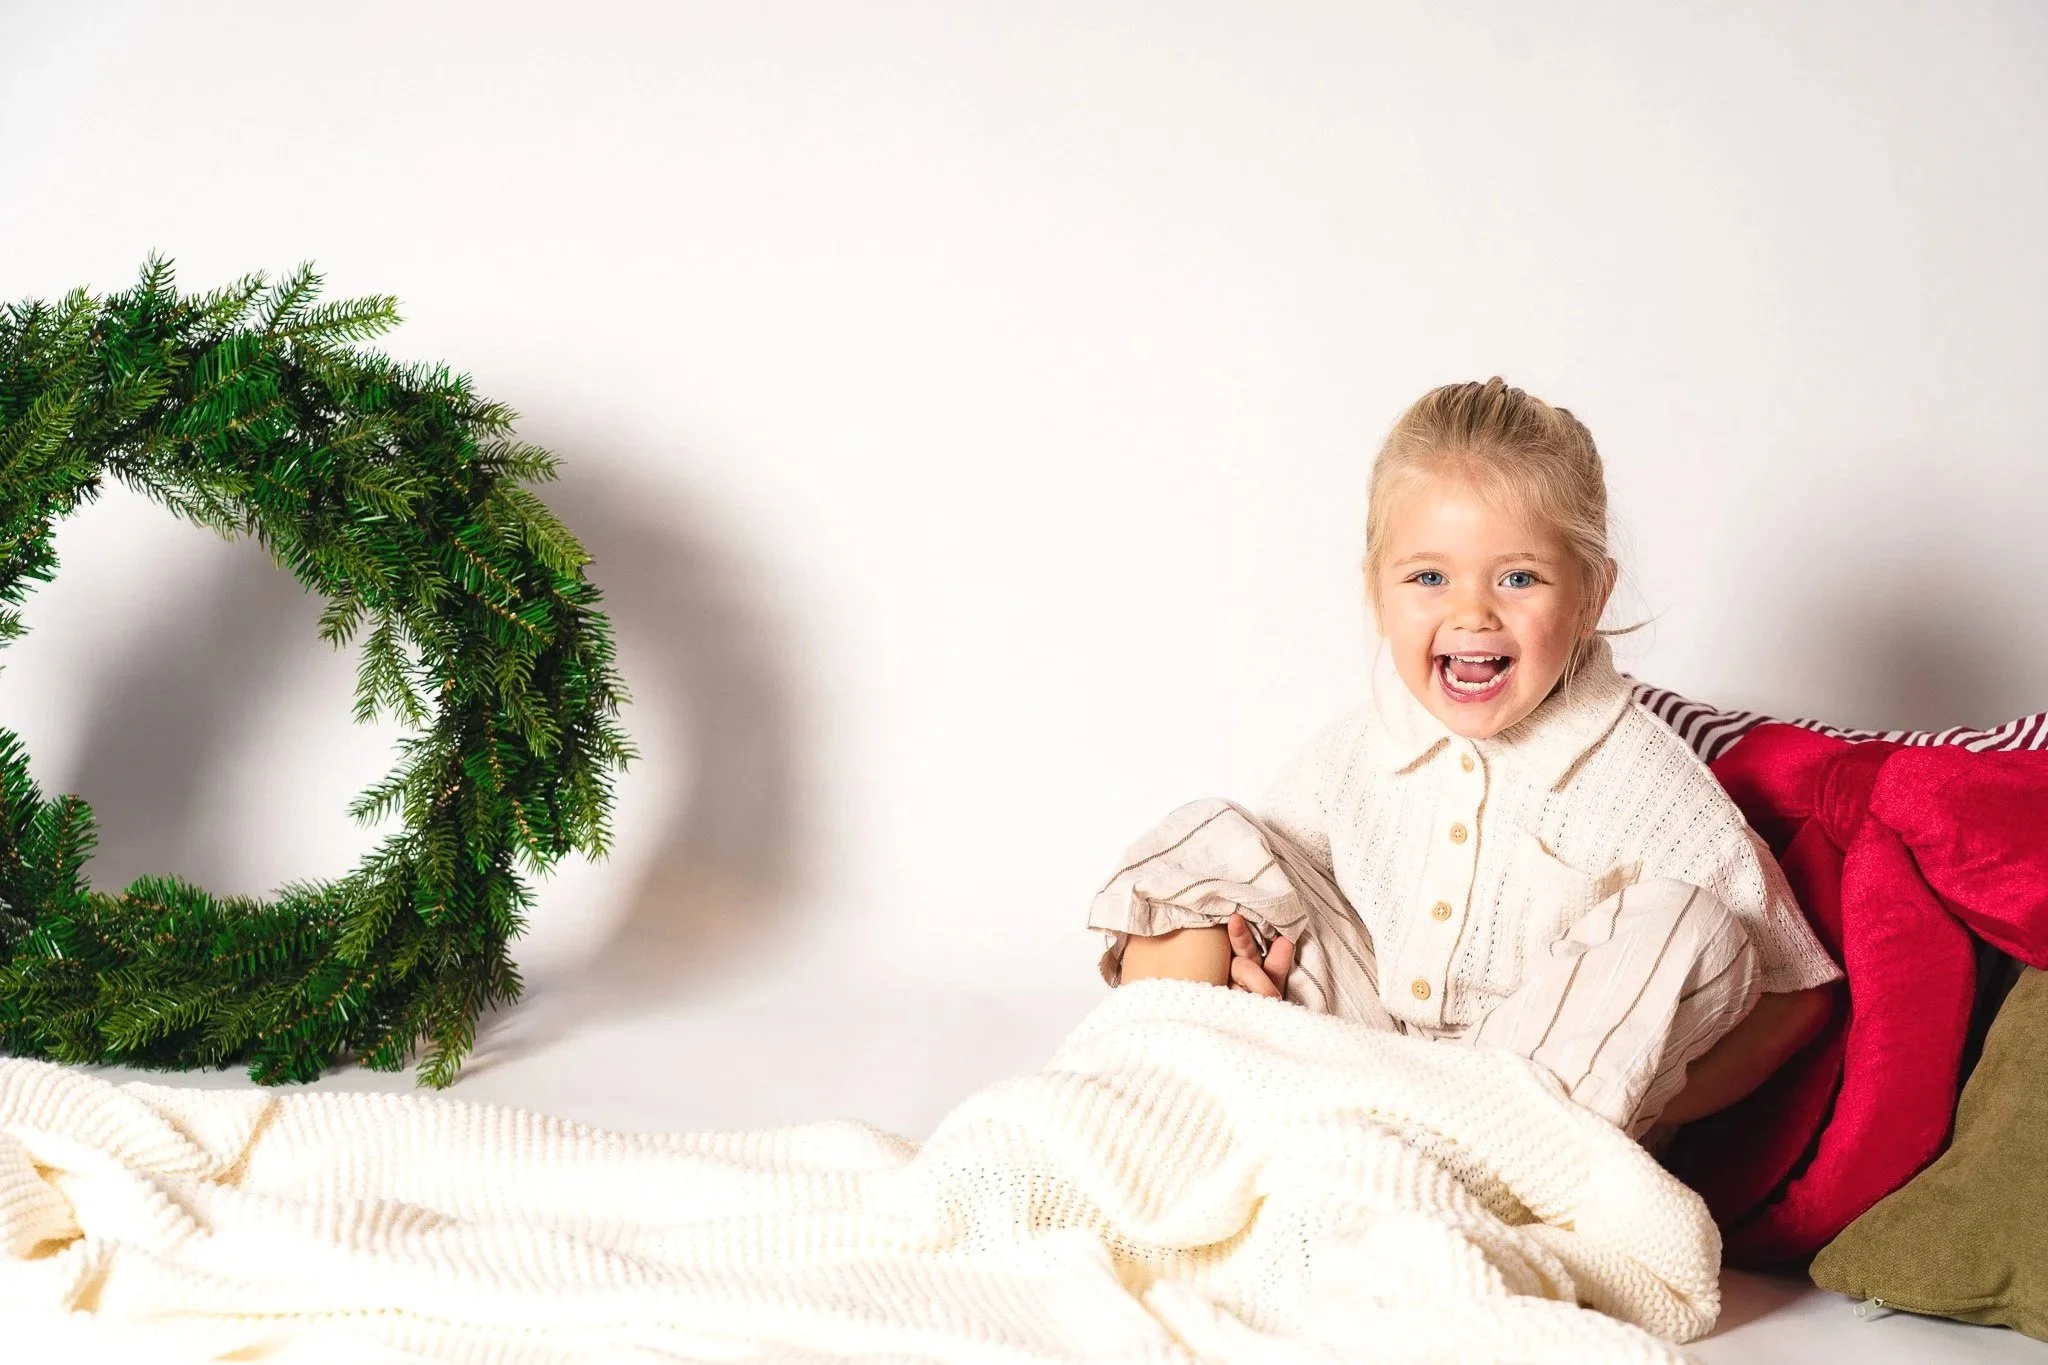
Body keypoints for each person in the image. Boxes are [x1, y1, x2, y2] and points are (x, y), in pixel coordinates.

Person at [1092, 378, 1839, 1142]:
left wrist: (1649, 1091)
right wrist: (1247, 979)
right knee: (1207, 839)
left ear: (1590, 597)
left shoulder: (1640, 776)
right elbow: (1265, 895)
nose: (1472, 612)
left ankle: (1437, 1164)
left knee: (1692, 920)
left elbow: (1798, 997)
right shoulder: (1359, 751)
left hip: (1519, 1112)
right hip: (1359, 1066)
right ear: (1377, 594)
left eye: (1519, 578)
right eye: (1429, 577)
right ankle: (1149, 1104)